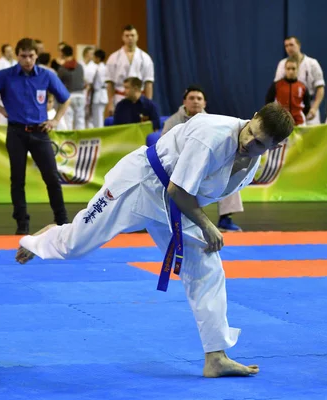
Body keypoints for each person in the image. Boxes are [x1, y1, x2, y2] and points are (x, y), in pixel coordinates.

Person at [16, 103, 295, 378]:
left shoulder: (252, 159)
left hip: (174, 206)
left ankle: (216, 356)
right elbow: (179, 189)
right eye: (250, 132)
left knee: (207, 268)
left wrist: (202, 228)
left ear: (276, 146)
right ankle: (47, 236)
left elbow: (192, 192)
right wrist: (209, 226)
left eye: (259, 143)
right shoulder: (212, 135)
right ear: (253, 116)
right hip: (141, 183)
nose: (248, 142)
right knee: (74, 245)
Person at [0, 38, 71, 235]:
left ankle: (62, 220)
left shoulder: (46, 75)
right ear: (17, 56)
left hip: (40, 132)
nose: (27, 60)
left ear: (37, 55)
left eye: (31, 56)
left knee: (52, 177)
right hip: (16, 132)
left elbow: (66, 98)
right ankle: (22, 223)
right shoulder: (5, 75)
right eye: (23, 56)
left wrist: (55, 121)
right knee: (17, 179)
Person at [162, 86, 244, 232]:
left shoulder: (214, 121)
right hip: (178, 166)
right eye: (191, 98)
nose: (195, 102)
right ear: (184, 102)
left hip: (205, 164)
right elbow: (162, 146)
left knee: (227, 173)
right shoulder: (172, 121)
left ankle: (226, 218)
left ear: (204, 103)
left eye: (199, 99)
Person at [274, 36, 325, 125]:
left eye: (291, 45)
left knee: (311, 137)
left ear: (299, 45)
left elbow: (320, 88)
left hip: (309, 106)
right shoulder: (282, 64)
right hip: (288, 109)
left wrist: (314, 108)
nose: (289, 48)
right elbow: (277, 89)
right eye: (286, 46)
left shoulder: (312, 63)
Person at [105, 24, 154, 115]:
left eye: (132, 35)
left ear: (137, 37)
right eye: (127, 36)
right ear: (123, 38)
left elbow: (148, 83)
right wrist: (110, 104)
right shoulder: (114, 57)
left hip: (139, 98)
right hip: (120, 97)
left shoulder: (145, 58)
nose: (130, 38)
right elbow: (110, 83)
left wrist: (148, 103)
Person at [266, 58, 311, 125]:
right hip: (281, 122)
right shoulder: (277, 85)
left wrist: (300, 114)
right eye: (288, 68)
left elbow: (307, 105)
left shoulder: (302, 87)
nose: (291, 71)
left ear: (297, 69)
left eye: (293, 69)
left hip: (299, 122)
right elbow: (268, 102)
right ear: (285, 69)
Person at [0, 44, 17, 124]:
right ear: (3, 53)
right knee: (3, 120)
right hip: (2, 96)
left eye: (11, 51)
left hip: (15, 96)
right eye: (8, 51)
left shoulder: (16, 63)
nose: (10, 53)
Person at [89, 49, 108, 128]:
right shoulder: (103, 67)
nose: (93, 58)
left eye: (94, 57)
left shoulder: (100, 69)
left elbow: (98, 83)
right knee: (98, 116)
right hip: (101, 94)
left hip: (99, 94)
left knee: (98, 117)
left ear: (98, 58)